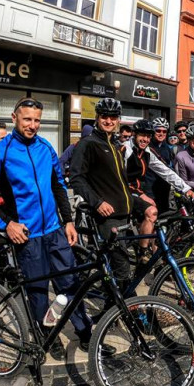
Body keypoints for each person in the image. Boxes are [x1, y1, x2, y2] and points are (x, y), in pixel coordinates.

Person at [0, 97, 92, 359]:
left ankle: (85, 332)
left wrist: (68, 221)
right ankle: (47, 334)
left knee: (70, 284)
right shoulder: (0, 151)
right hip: (26, 237)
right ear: (14, 117)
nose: (33, 125)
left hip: (54, 230)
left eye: (37, 120)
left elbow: (58, 185)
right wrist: (7, 224)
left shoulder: (45, 147)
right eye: (27, 119)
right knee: (38, 293)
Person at [69, 98, 140, 287]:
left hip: (124, 214)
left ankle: (113, 304)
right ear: (97, 118)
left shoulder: (115, 145)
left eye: (113, 117)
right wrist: (97, 202)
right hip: (108, 216)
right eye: (104, 117)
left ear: (118, 120)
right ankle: (122, 310)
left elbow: (120, 180)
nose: (109, 121)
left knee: (117, 266)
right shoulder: (89, 144)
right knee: (122, 268)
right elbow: (76, 178)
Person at [122, 119, 193, 261]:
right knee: (152, 212)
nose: (145, 139)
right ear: (134, 135)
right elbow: (119, 178)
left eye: (148, 136)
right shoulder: (125, 150)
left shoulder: (147, 151)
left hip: (138, 191)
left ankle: (154, 259)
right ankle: (143, 253)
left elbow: (165, 170)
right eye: (142, 135)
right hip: (123, 191)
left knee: (155, 222)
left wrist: (185, 188)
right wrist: (141, 195)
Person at [147, 117, 176, 213]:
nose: (161, 134)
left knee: (163, 216)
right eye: (158, 131)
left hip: (164, 188)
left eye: (164, 131)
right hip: (150, 188)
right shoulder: (147, 146)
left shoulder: (166, 147)